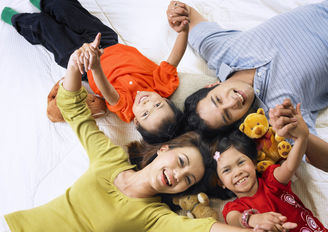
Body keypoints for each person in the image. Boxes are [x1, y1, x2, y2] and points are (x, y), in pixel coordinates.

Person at [0, 32, 297, 232]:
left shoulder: (152, 217)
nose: (179, 176)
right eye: (182, 162)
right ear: (164, 150)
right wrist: (77, 62)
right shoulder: (110, 160)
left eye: (188, 180)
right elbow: (74, 110)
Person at [166, 0, 328, 172]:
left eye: (218, 99)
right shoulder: (278, 115)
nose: (232, 102)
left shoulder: (219, 51)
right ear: (238, 123)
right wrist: (301, 135)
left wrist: (176, 11)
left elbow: (187, 15)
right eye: (228, 115)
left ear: (212, 85)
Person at [0, 0, 189, 144]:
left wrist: (95, 65)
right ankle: (45, 3)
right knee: (66, 9)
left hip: (83, 61)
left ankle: (17, 20)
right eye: (158, 105)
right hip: (107, 42)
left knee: (45, 28)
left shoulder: (126, 109)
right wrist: (183, 32)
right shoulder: (163, 85)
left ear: (137, 123)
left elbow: (106, 89)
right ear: (165, 99)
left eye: (145, 114)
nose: (147, 103)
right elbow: (174, 58)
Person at [213, 103, 328, 232]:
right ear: (220, 182)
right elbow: (234, 220)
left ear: (253, 162)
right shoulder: (235, 207)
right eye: (227, 170)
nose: (237, 172)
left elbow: (290, 165)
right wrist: (252, 220)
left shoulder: (271, 179)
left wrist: (301, 138)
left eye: (241, 163)